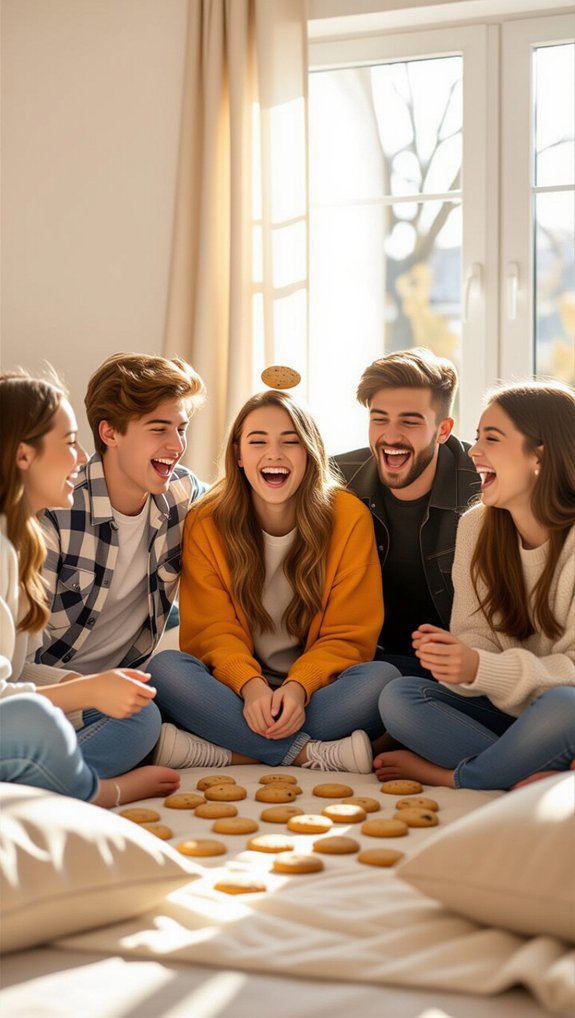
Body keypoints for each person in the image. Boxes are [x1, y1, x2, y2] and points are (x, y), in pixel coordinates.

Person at [148, 389, 400, 772]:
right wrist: (251, 689)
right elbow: (212, 632)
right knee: (165, 671)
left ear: (309, 452)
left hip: (318, 691)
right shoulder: (207, 520)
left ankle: (224, 750)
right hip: (234, 689)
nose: (274, 454)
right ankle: (309, 754)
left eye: (290, 442)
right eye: (258, 441)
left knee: (384, 679)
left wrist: (298, 689)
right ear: (239, 455)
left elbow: (348, 635)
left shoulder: (348, 517)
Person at [373, 380, 575, 790]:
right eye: (477, 436)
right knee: (400, 698)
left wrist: (481, 667)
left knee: (564, 707)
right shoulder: (477, 526)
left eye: (492, 439)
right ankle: (536, 766)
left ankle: (459, 776)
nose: (473, 451)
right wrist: (459, 660)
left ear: (541, 454)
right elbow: (475, 633)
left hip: (562, 705)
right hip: (510, 710)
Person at [0, 369, 181, 805]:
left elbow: (17, 671)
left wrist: (94, 688)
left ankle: (39, 785)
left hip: (25, 706)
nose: (82, 457)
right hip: (19, 716)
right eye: (69, 442)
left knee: (140, 713)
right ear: (24, 455)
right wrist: (85, 691)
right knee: (34, 718)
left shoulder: (19, 544)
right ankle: (92, 791)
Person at [29, 353, 206, 744]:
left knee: (175, 676)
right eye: (159, 429)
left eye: (182, 428)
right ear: (110, 433)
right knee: (142, 721)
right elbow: (17, 667)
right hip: (51, 693)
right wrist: (86, 691)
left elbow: (246, 514)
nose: (176, 445)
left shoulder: (183, 494)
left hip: (127, 685)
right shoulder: (53, 513)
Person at [335, 347, 479, 674]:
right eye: (379, 419)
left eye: (410, 422)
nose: (391, 435)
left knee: (398, 698)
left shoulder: (482, 485)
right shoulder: (336, 480)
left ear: (443, 430)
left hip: (457, 669)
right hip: (366, 661)